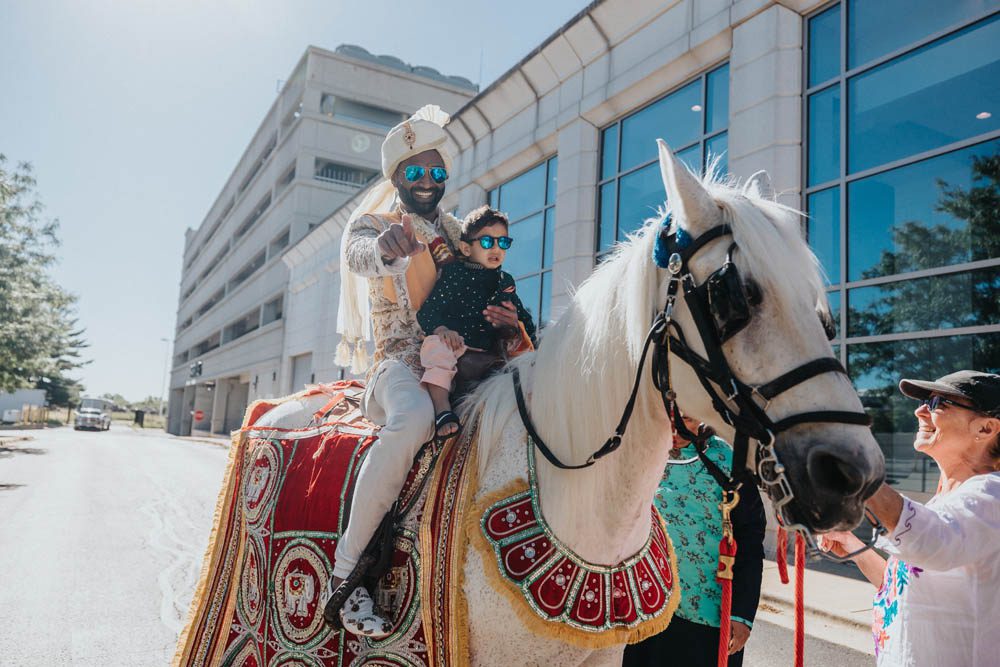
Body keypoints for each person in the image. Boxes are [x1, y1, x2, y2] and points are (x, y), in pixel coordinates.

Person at [327, 105, 522, 638]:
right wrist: (388, 251)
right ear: (396, 178)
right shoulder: (375, 225)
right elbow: (359, 255)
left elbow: (487, 279)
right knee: (413, 421)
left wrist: (505, 318)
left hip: (466, 362)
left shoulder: (462, 232)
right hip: (401, 366)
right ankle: (344, 575)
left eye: (438, 173)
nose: (428, 182)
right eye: (415, 173)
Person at [820, 370, 1000, 667]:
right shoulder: (948, 502)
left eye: (938, 403)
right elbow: (904, 588)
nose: (920, 410)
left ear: (985, 429)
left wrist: (856, 472)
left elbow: (933, 542)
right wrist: (853, 547)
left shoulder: (993, 494)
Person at [623, 416, 766, 667]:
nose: (675, 429)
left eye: (685, 419)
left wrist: (742, 615)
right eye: (667, 418)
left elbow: (750, 538)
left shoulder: (730, 462)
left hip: (708, 618)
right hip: (646, 610)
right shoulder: (641, 455)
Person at [416, 206, 536, 438]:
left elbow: (527, 324)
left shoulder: (505, 281)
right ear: (465, 247)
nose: (496, 248)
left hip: (492, 353)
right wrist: (443, 330)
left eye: (503, 243)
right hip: (456, 346)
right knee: (435, 347)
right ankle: (442, 410)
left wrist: (515, 324)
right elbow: (428, 311)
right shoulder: (455, 274)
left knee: (526, 360)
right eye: (487, 241)